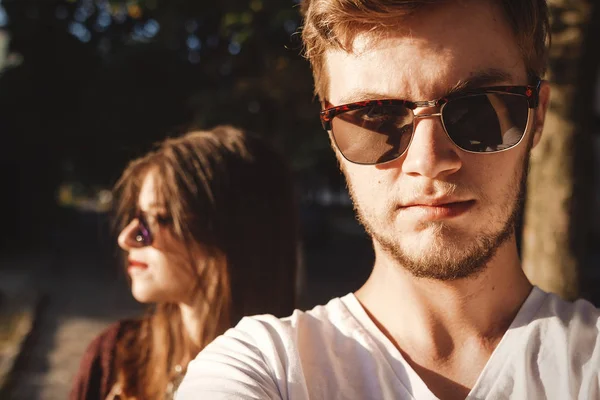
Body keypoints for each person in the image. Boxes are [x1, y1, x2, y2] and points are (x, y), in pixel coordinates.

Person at [176, 1, 600, 399]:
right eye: (375, 118)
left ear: (537, 116)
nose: (429, 161)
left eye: (477, 110)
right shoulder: (266, 369)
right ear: (332, 136)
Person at [70, 126, 298, 400]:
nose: (126, 237)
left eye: (158, 218)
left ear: (231, 236)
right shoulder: (115, 358)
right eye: (136, 217)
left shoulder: (297, 380)